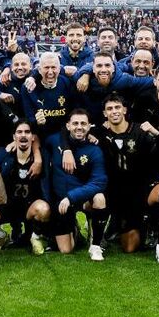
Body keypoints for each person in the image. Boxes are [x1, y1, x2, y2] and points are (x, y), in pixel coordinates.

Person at [94, 94, 159, 264]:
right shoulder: (100, 135)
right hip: (117, 193)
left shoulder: (140, 130)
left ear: (124, 110)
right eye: (109, 109)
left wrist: (156, 134)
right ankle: (103, 233)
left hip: (142, 187)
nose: (114, 111)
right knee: (129, 247)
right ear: (104, 113)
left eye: (117, 107)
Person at [47, 109, 109, 261]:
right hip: (60, 200)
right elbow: (34, 141)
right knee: (66, 250)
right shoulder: (54, 141)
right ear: (67, 126)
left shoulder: (95, 150)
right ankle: (74, 228)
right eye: (75, 123)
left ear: (89, 127)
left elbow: (99, 182)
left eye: (83, 124)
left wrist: (71, 197)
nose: (79, 127)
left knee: (100, 198)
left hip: (80, 199)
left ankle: (95, 246)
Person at [0, 122, 50, 254]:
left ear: (33, 137)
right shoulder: (5, 154)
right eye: (19, 132)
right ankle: (1, 235)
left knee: (43, 209)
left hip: (28, 208)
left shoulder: (41, 157)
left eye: (27, 132)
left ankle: (35, 236)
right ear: (14, 137)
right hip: (6, 206)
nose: (23, 135)